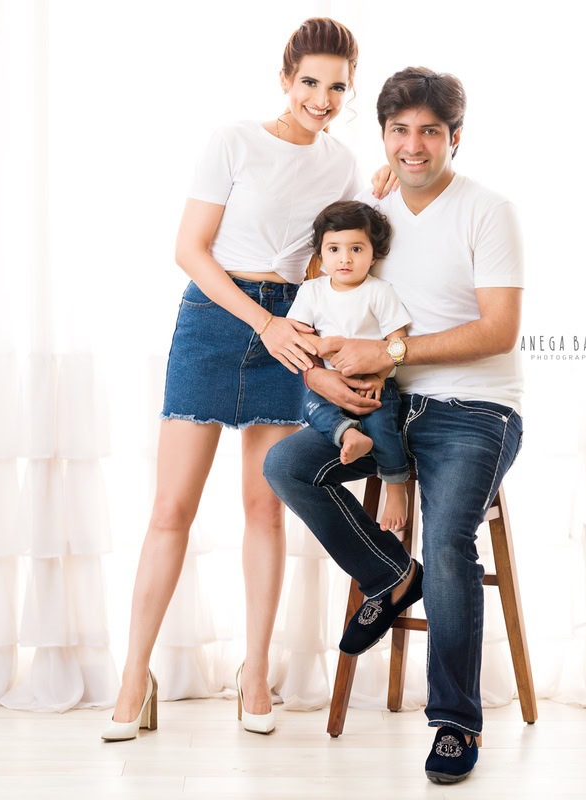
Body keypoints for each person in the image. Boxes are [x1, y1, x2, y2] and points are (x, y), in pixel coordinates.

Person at [102, 17, 368, 741]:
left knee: (263, 509)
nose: (321, 98)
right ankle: (134, 676)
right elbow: (190, 249)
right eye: (309, 81)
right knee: (170, 510)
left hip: (291, 327)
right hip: (216, 320)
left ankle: (254, 674)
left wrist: (304, 323)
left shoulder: (342, 165)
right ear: (285, 78)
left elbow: (333, 258)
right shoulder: (234, 141)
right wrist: (264, 323)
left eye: (337, 87)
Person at [264, 67, 524, 784]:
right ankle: (390, 574)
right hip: (384, 405)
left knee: (447, 537)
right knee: (286, 465)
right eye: (399, 131)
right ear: (382, 137)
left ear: (455, 138)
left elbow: (499, 330)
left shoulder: (488, 211)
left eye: (430, 132)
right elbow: (324, 303)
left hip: (475, 410)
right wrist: (318, 374)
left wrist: (393, 353)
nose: (414, 146)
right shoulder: (372, 211)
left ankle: (455, 723)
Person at [286, 200, 412, 532]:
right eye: (334, 249)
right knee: (310, 407)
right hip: (329, 385)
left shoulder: (379, 292)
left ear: (374, 255)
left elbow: (398, 342)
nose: (345, 258)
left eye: (356, 249)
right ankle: (349, 434)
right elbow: (300, 337)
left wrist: (380, 376)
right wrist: (322, 347)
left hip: (372, 382)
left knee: (383, 427)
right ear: (320, 254)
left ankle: (395, 489)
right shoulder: (312, 291)